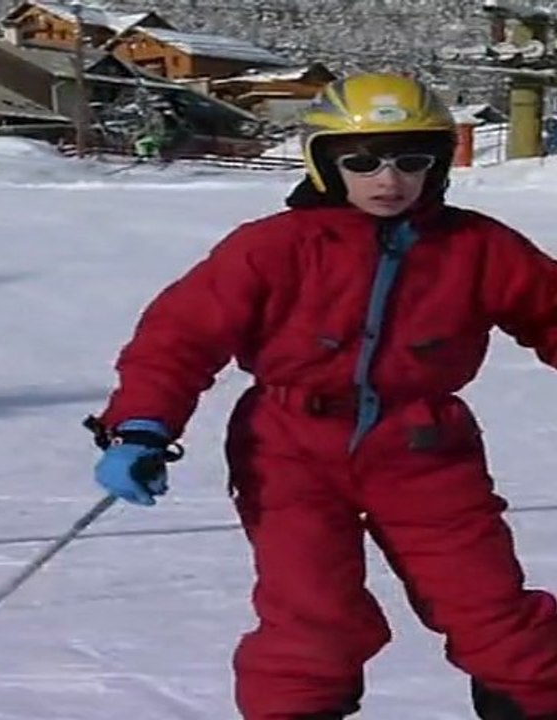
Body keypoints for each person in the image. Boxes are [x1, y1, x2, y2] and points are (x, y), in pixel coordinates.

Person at [91, 73, 557, 720]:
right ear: (323, 162)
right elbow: (180, 337)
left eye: (410, 159)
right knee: (312, 614)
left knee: (489, 607)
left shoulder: (476, 247)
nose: (387, 179)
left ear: (438, 162)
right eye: (360, 161)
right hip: (287, 447)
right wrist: (141, 425)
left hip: (424, 447)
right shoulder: (274, 247)